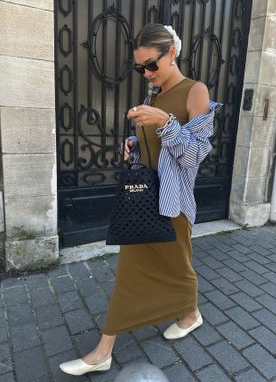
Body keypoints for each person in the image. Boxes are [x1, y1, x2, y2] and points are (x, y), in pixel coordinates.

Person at [59, 23, 221, 376]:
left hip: (174, 202)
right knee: (131, 270)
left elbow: (196, 156)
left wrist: (164, 123)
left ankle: (190, 313)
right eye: (140, 68)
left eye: (151, 65)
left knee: (179, 265)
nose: (146, 74)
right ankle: (105, 350)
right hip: (145, 198)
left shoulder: (195, 91)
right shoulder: (154, 94)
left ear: (172, 53)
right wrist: (135, 144)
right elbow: (157, 148)